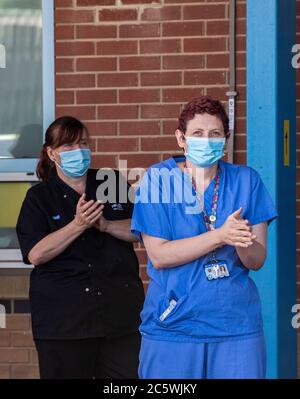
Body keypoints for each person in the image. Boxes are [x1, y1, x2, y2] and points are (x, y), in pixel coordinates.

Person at [131, 96, 278, 379]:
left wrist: (241, 240)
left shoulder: (247, 181)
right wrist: (220, 235)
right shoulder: (158, 180)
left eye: (215, 134)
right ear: (181, 138)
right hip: (173, 326)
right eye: (197, 133)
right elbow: (160, 256)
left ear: (225, 139)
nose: (206, 141)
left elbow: (256, 260)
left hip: (235, 327)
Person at [16, 116, 144, 379]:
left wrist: (107, 225)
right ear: (52, 153)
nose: (79, 152)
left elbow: (142, 230)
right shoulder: (38, 198)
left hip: (120, 318)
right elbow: (36, 254)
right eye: (69, 147)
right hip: (63, 324)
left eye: (83, 144)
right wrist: (78, 225)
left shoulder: (112, 182)